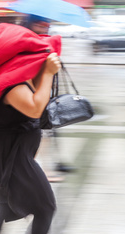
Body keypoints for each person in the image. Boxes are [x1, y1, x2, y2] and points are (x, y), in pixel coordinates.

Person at [0, 48, 63, 234]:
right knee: (46, 207)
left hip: (5, 156)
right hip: (13, 161)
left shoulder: (13, 79)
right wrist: (47, 73)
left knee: (4, 210)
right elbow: (36, 108)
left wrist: (43, 73)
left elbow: (38, 97)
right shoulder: (11, 86)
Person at [20, 14, 76, 182]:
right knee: (39, 134)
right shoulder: (25, 41)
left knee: (45, 133)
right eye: (40, 24)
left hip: (42, 94)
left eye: (47, 24)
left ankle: (42, 167)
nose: (45, 27)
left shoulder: (44, 42)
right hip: (30, 95)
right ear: (30, 23)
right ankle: (39, 169)